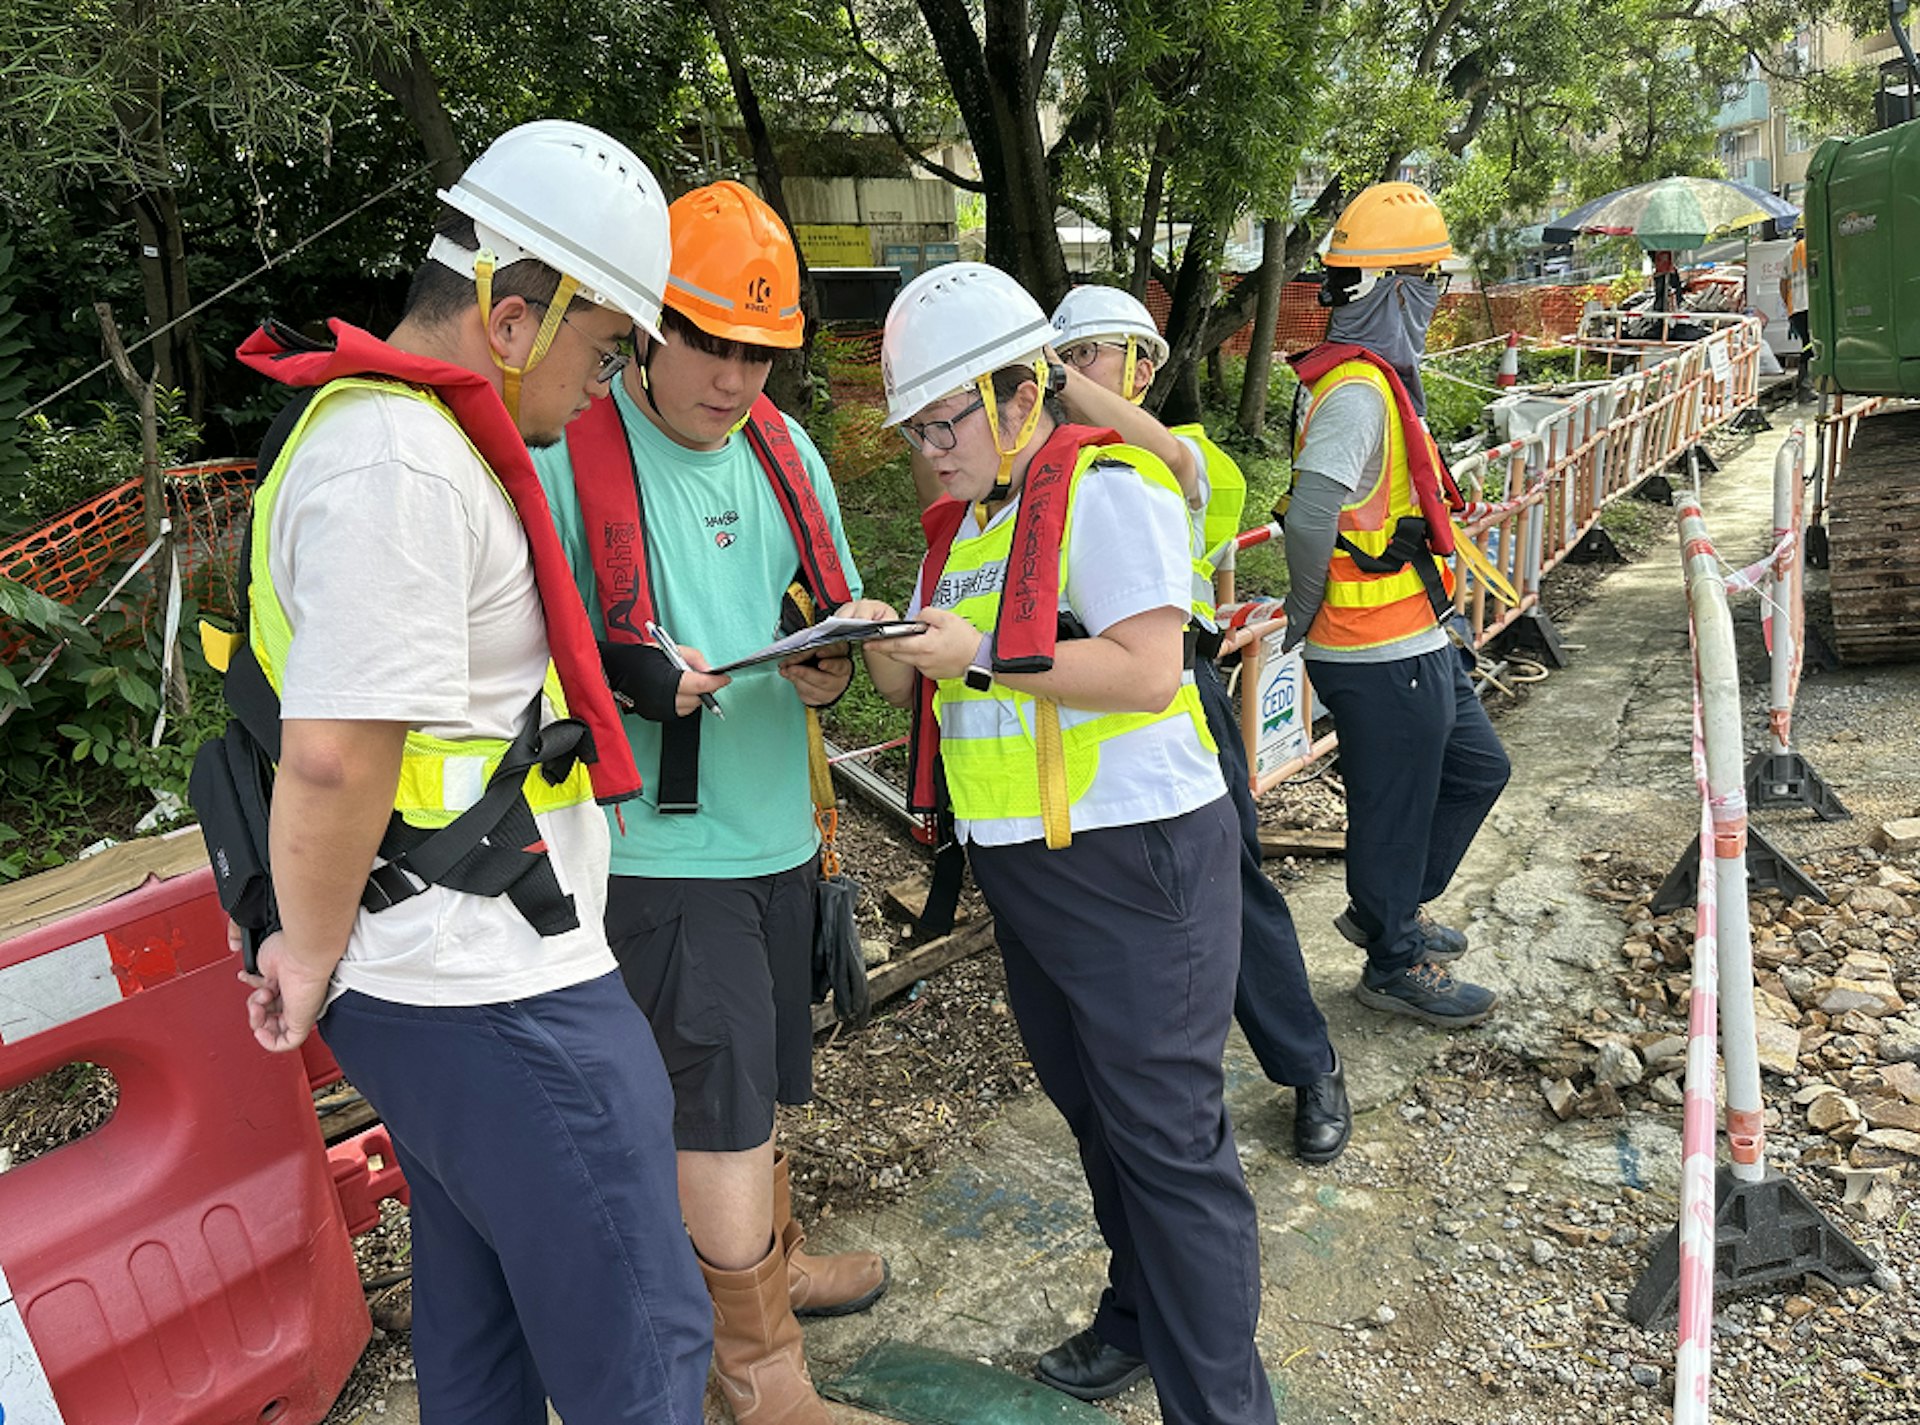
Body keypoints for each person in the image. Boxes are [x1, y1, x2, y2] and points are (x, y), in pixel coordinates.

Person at [223, 120, 711, 1422]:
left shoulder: (402, 445)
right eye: (606, 348)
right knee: (644, 1347)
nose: (604, 385)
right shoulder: (398, 463)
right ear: (512, 317)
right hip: (494, 991)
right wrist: (306, 954)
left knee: (481, 1332)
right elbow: (335, 754)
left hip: (456, 980)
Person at [860, 262, 1276, 1425]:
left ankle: (1222, 1409)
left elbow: (1148, 670)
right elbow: (910, 675)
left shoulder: (1109, 489)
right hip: (1027, 867)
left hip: (1137, 859)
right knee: (1104, 1124)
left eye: (945, 420)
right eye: (916, 429)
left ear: (1017, 391)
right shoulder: (969, 530)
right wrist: (854, 642)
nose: (930, 448)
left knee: (1170, 1147)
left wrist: (976, 656)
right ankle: (1139, 1322)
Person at [531, 180, 884, 1425]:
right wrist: (626, 676)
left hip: (778, 829)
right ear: (644, 327)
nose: (733, 381)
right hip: (659, 855)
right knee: (717, 1113)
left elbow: (823, 618)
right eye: (710, 344)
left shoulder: (786, 453)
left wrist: (831, 658)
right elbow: (528, 652)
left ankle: (768, 1274)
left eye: (759, 352)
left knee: (758, 1087)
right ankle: (758, 1370)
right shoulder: (569, 450)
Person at [1048, 284, 1350, 1165]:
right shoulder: (1037, 464)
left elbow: (1178, 474)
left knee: (1231, 894)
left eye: (1085, 357)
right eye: (1070, 358)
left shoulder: (1176, 453)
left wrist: (1047, 379)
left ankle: (1310, 1064)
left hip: (1172, 697)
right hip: (1071, 710)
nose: (1072, 377)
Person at [1281, 181, 1509, 1028]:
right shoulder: (1355, 394)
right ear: (1396, 289)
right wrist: (1304, 612)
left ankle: (1389, 907)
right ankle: (1392, 958)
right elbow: (1311, 512)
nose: (1438, 299)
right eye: (1433, 282)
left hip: (1414, 633)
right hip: (1372, 649)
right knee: (1395, 806)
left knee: (1480, 768)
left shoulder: (1375, 378)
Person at [1779, 224, 1810, 394]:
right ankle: (1805, 386)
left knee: (1807, 343)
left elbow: (1782, 285)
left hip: (1796, 308)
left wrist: (1788, 305)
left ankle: (1805, 384)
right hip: (1811, 305)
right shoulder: (1812, 248)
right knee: (1812, 345)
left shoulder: (1788, 255)